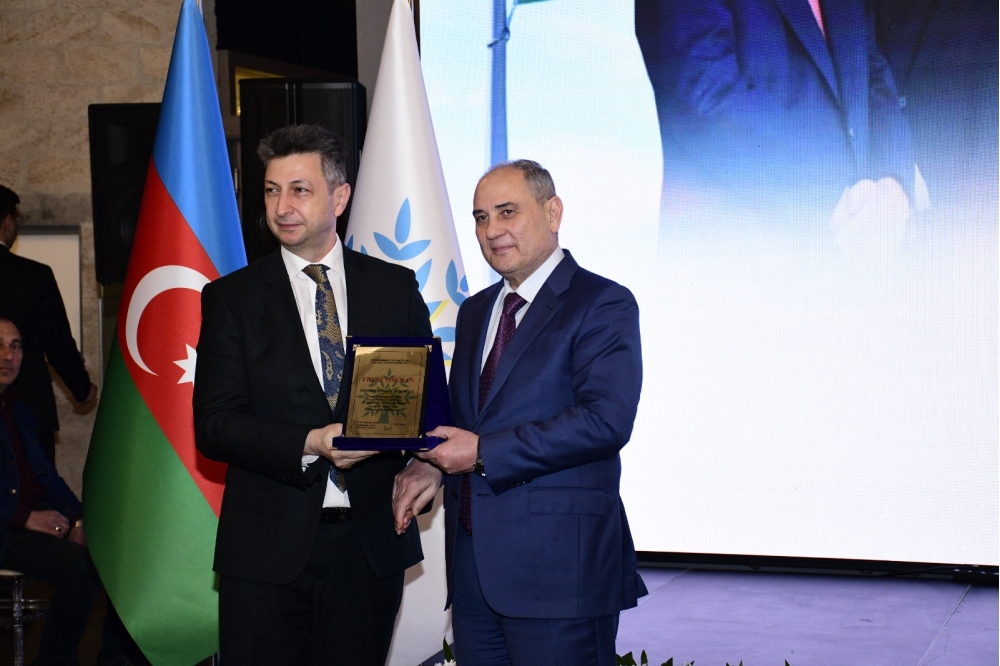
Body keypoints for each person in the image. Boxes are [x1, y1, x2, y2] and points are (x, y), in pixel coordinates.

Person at [193, 124, 433, 665]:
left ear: (340, 197)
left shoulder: (394, 288)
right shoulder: (232, 299)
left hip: (368, 551)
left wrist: (429, 465)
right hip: (264, 555)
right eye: (271, 190)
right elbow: (214, 424)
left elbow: (426, 403)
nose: (282, 206)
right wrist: (310, 441)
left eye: (299, 190)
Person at [393, 161, 646, 665]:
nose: (492, 230)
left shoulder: (603, 303)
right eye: (481, 217)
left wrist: (481, 452)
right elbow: (465, 422)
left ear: (553, 213)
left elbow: (605, 421)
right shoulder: (476, 310)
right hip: (473, 573)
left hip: (560, 574)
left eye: (507, 212)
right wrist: (430, 465)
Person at [634, 0, 914, 227]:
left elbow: (874, 72)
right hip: (744, 244)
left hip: (855, 241)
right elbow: (704, 92)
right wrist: (828, 191)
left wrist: (894, 185)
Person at [0, 316, 142, 666]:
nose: (8, 355)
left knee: (118, 547)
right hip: (8, 530)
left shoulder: (19, 412)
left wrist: (79, 518)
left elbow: (48, 480)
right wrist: (24, 517)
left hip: (30, 524)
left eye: (16, 346)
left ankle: (118, 658)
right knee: (81, 570)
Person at [0, 185, 98, 465]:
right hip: (28, 412)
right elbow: (57, 343)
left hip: (26, 414)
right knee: (36, 486)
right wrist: (81, 388)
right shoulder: (34, 276)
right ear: (8, 222)